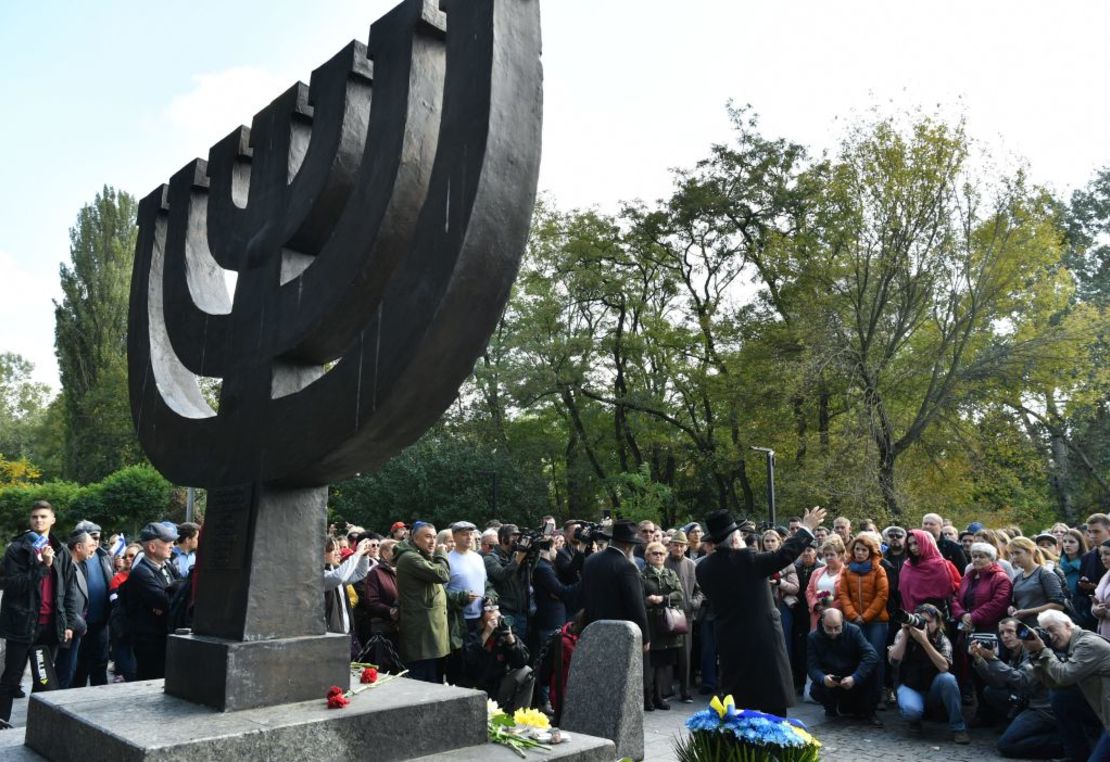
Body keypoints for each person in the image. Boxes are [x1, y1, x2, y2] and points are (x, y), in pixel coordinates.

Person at [696, 505, 825, 718]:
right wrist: (807, 528)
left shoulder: (703, 567)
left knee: (736, 698)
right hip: (762, 640)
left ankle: (741, 746)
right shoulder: (748, 560)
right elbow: (785, 554)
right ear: (735, 539)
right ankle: (773, 745)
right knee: (772, 698)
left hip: (730, 640)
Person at [0, 501, 79, 723]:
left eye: (43, 516)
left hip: (50, 625)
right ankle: (2, 724)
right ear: (30, 520)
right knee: (11, 678)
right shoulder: (17, 549)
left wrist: (69, 623)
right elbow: (12, 585)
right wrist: (42, 566)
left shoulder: (61, 551)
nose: (38, 520)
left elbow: (68, 590)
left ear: (53, 519)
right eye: (34, 517)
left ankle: (39, 727)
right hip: (22, 624)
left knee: (43, 679)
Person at [968, 617, 1064, 759]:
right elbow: (998, 683)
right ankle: (1017, 726)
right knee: (990, 692)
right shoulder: (1012, 653)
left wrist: (993, 659)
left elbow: (1021, 680)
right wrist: (979, 659)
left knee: (1006, 745)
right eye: (1002, 633)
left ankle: (1065, 741)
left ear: (1021, 633)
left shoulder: (1032, 650)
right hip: (1026, 701)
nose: (1006, 636)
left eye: (1010, 631)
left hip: (1043, 709)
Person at [1023, 610, 1110, 762]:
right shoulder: (1071, 645)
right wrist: (1035, 653)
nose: (1049, 636)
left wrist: (1043, 650)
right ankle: (1076, 755)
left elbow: (1064, 676)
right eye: (1044, 631)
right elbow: (1053, 683)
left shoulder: (1088, 643)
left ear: (1068, 625)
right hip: (1102, 710)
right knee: (1060, 696)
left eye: (1051, 629)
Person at [888, 603, 969, 744]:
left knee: (948, 679)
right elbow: (894, 661)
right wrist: (906, 635)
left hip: (933, 688)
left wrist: (924, 641)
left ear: (938, 623)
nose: (924, 625)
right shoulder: (903, 633)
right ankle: (915, 721)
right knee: (911, 710)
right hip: (910, 685)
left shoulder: (942, 638)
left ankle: (958, 728)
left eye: (928, 622)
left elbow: (944, 667)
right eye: (921, 620)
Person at [394, 522, 453, 683]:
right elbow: (442, 574)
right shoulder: (409, 558)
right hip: (422, 639)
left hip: (431, 637)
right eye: (428, 537)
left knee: (435, 680)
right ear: (414, 538)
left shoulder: (419, 555)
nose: (433, 541)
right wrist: (441, 553)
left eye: (434, 537)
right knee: (423, 684)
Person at [837, 533, 889, 710]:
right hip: (854, 620)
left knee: (875, 658)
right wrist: (852, 615)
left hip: (876, 621)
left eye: (863, 550)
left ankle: (876, 696)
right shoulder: (847, 569)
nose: (859, 553)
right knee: (857, 657)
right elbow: (843, 594)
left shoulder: (878, 569)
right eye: (857, 549)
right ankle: (858, 698)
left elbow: (882, 595)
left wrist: (865, 616)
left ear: (870, 552)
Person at [126, 522, 182, 680]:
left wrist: (170, 594)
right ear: (152, 547)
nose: (172, 545)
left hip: (163, 637)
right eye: (167, 542)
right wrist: (171, 596)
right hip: (150, 642)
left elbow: (183, 589)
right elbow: (164, 602)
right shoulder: (140, 573)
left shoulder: (168, 566)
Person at [807, 609, 881, 725]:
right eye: (829, 628)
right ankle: (830, 707)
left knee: (874, 668)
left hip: (853, 677)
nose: (833, 632)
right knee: (816, 689)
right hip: (832, 679)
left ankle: (870, 711)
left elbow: (872, 655)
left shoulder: (854, 631)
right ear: (822, 623)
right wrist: (823, 678)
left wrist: (855, 677)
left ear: (843, 622)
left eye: (837, 627)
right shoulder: (813, 637)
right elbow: (812, 667)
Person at [460, 599, 533, 712]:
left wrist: (510, 638)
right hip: (475, 688)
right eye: (489, 610)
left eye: (496, 608)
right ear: (481, 618)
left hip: (498, 687)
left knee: (526, 672)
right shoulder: (473, 636)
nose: (495, 612)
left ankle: (519, 716)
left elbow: (521, 662)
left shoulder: (505, 635)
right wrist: (486, 633)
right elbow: (468, 661)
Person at [69, 520, 114, 687]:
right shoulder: (72, 560)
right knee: (79, 667)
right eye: (92, 537)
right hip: (79, 622)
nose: (95, 542)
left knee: (101, 664)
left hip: (101, 621)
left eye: (98, 538)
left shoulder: (104, 556)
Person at [641, 541, 685, 711]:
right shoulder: (642, 574)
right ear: (647, 556)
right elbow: (638, 596)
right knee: (649, 663)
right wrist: (648, 600)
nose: (658, 556)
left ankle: (659, 697)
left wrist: (663, 598)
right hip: (651, 621)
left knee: (662, 663)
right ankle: (647, 698)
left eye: (661, 553)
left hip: (667, 622)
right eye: (655, 553)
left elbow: (679, 594)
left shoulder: (670, 573)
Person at [54, 530, 96, 689]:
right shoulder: (67, 566)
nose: (94, 548)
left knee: (69, 671)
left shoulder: (80, 565)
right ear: (79, 547)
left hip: (75, 630)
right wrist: (79, 624)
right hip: (68, 629)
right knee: (64, 673)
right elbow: (63, 600)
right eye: (91, 545)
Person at [665, 530, 701, 703]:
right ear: (670, 545)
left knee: (685, 655)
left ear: (686, 547)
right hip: (665, 613)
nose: (678, 548)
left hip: (685, 615)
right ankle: (665, 690)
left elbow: (700, 590)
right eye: (676, 544)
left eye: (681, 545)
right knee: (666, 652)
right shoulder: (663, 562)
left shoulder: (691, 564)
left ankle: (685, 691)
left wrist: (695, 602)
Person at [324, 536, 374, 651]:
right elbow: (338, 577)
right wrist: (357, 553)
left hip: (347, 634)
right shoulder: (320, 575)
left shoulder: (334, 572)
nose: (338, 552)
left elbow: (360, 573)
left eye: (338, 548)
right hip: (330, 638)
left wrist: (364, 555)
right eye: (333, 549)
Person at [358, 538, 401, 671]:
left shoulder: (404, 570)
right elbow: (372, 602)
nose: (400, 553)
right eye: (395, 550)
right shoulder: (375, 573)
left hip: (403, 630)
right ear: (384, 553)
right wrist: (390, 612)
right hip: (384, 630)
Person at [484, 524, 532, 641]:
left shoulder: (516, 555)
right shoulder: (490, 558)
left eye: (518, 536)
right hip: (506, 612)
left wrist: (532, 554)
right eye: (514, 536)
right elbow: (501, 575)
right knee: (509, 649)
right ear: (503, 539)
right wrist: (518, 558)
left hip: (522, 611)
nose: (517, 540)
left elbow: (530, 573)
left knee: (522, 650)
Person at [1008, 537, 1066, 628]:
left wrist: (1027, 612)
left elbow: (1058, 605)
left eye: (1017, 553)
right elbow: (1017, 602)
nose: (1014, 557)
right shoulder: (1017, 578)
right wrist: (1012, 608)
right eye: (1012, 554)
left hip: (1044, 627)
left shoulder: (1045, 574)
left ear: (1030, 552)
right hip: (1023, 628)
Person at [899, 529, 959, 613]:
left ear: (924, 543)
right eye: (910, 544)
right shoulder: (907, 566)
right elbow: (904, 593)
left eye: (916, 543)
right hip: (911, 614)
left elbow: (949, 592)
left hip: (936, 615)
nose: (913, 548)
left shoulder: (939, 565)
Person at [763, 530, 801, 662]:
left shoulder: (787, 562)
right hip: (763, 606)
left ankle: (787, 675)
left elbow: (795, 588)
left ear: (779, 542)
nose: (769, 544)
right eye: (767, 541)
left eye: (773, 541)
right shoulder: (758, 560)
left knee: (783, 642)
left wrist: (780, 582)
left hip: (782, 605)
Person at [806, 537, 845, 630]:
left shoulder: (847, 573)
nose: (828, 558)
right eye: (826, 555)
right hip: (818, 615)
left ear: (840, 555)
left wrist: (830, 608)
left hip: (838, 617)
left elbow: (847, 595)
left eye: (832, 555)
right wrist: (816, 605)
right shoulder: (817, 572)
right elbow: (809, 591)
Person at [1089, 539, 1110, 639]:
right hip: (1104, 631)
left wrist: (1107, 612)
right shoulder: (1105, 576)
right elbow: (1096, 601)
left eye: (1107, 554)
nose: (1103, 558)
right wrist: (1096, 610)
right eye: (1101, 554)